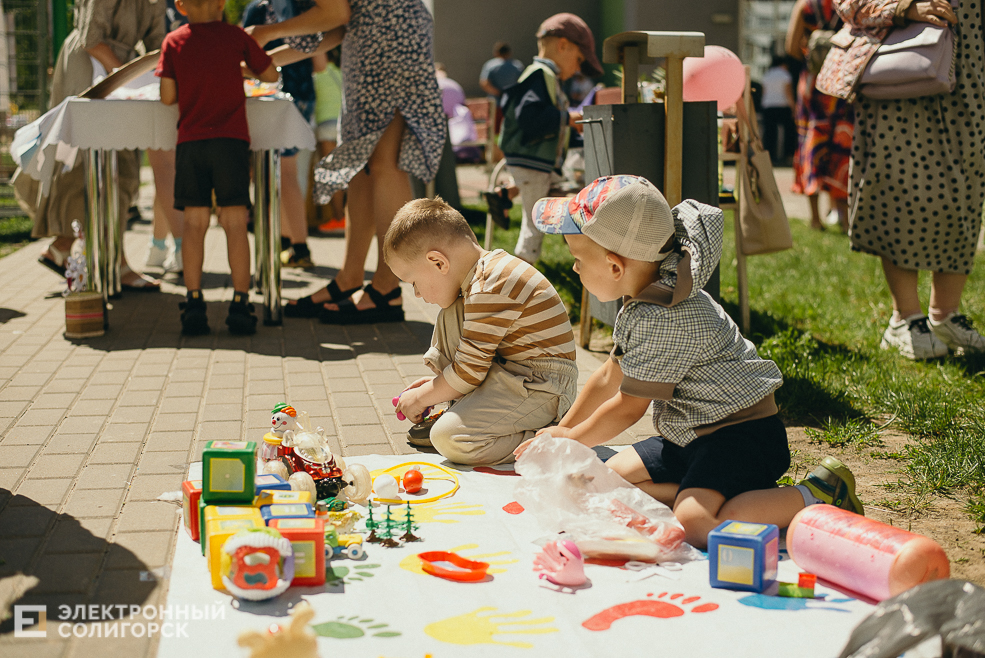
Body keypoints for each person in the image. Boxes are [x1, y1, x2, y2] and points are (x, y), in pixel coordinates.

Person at [514, 175, 863, 549]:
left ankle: (818, 493)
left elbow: (628, 408)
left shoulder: (663, 317)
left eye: (578, 260)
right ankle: (718, 491)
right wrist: (562, 432)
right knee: (604, 477)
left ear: (616, 267)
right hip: (691, 433)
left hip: (741, 437)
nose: (574, 270)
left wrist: (574, 439)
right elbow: (607, 377)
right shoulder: (649, 296)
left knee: (695, 525)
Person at [249, 0, 446, 325]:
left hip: (390, 38)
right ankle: (350, 278)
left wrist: (265, 33)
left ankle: (386, 287)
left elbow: (334, 15)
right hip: (371, 38)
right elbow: (337, 26)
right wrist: (267, 59)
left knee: (385, 164)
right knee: (362, 169)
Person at [817, 0, 985, 359]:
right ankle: (905, 318)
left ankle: (945, 315)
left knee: (966, 186)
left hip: (971, 74)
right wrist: (906, 7)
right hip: (903, 74)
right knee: (901, 185)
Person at [386, 197, 578, 465]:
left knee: (449, 439)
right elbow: (471, 366)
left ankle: (556, 438)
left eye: (414, 282)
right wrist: (438, 388)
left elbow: (469, 372)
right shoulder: (479, 278)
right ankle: (469, 412)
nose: (416, 293)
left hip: (544, 386)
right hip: (515, 373)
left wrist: (423, 396)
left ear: (438, 262)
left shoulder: (489, 286)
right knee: (451, 309)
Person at [22, 0, 164, 290]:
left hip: (126, 68)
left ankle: (69, 250)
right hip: (88, 65)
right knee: (80, 161)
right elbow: (91, 40)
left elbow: (159, 45)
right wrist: (130, 77)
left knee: (124, 161)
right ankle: (108, 260)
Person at [157, 0, 279, 335]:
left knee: (194, 224)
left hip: (192, 143)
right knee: (235, 222)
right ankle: (241, 305)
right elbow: (270, 75)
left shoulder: (173, 41)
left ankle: (194, 304)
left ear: (180, 5)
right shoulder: (235, 36)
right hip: (231, 141)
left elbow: (167, 96)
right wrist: (240, 69)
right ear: (222, 3)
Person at [498, 12, 603, 264]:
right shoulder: (539, 75)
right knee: (534, 225)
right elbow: (529, 119)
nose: (578, 68)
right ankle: (520, 274)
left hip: (537, 163)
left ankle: (580, 252)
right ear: (563, 45)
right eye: (578, 60)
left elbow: (554, 131)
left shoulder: (547, 77)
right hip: (532, 164)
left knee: (559, 203)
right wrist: (568, 118)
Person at [243, 0, 318, 269]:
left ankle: (293, 245)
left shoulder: (258, 11)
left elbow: (246, 56)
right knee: (287, 173)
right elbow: (319, 64)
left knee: (273, 173)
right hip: (304, 95)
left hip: (271, 96)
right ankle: (289, 243)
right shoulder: (309, 7)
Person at [785, 0, 854, 232]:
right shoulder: (848, 3)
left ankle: (815, 218)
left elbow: (791, 48)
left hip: (813, 86)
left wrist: (810, 50)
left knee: (812, 142)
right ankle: (843, 217)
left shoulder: (805, 6)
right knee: (842, 144)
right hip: (840, 83)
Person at [312, 48, 346, 231]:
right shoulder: (344, 72)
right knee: (347, 175)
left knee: (333, 176)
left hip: (326, 126)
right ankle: (347, 218)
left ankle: (339, 217)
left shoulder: (320, 72)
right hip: (344, 124)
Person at [759, 54, 797, 165]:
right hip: (782, 106)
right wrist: (794, 107)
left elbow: (763, 92)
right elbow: (788, 93)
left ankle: (770, 156)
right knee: (789, 131)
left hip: (768, 106)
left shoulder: (767, 75)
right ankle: (788, 155)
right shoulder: (785, 75)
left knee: (770, 132)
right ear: (784, 64)